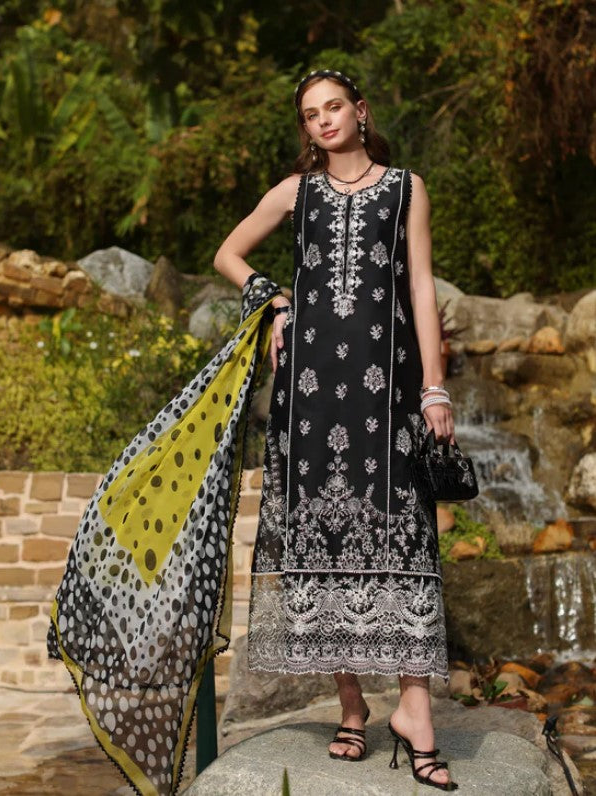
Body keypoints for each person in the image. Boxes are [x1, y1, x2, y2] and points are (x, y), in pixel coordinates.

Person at [213, 69, 457, 791]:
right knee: (322, 536)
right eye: (310, 114)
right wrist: (275, 302)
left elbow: (420, 286)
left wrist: (434, 386)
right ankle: (352, 707)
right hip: (311, 393)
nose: (323, 120)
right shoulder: (297, 193)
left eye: (334, 107)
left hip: (389, 390)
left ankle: (415, 710)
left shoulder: (406, 188)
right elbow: (228, 253)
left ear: (360, 111)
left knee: (404, 531)